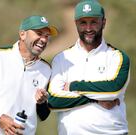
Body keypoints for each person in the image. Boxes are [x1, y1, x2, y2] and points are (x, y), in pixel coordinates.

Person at [0, 15, 58, 135]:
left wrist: (41, 103)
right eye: (39, 33)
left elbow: (43, 115)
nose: (44, 40)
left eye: (46, 36)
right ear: (22, 34)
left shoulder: (46, 69)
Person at [48, 0, 130, 135]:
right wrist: (95, 98)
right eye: (83, 23)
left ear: (103, 23)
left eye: (94, 22)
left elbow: (113, 90)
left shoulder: (118, 57)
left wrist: (73, 86)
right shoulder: (61, 58)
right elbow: (53, 101)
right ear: (76, 24)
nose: (88, 28)